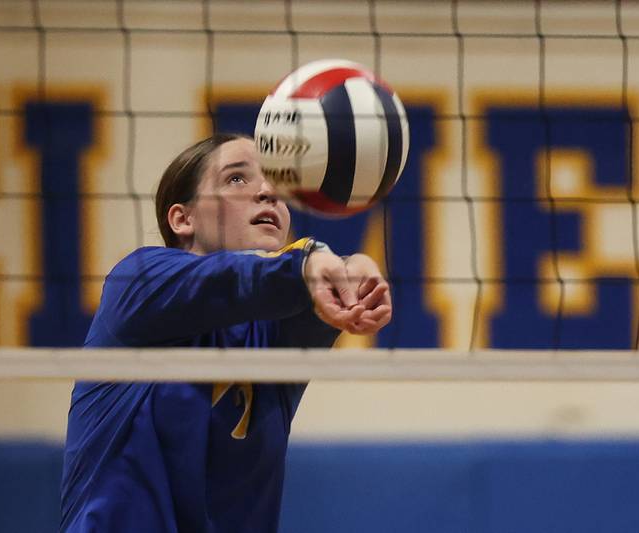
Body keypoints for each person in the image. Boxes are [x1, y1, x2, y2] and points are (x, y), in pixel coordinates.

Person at [60, 133, 392, 532]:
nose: (268, 191)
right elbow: (238, 278)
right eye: (237, 179)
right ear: (183, 219)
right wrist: (310, 262)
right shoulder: (138, 284)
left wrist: (353, 268)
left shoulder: (273, 336)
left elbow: (305, 285)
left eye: (276, 182)